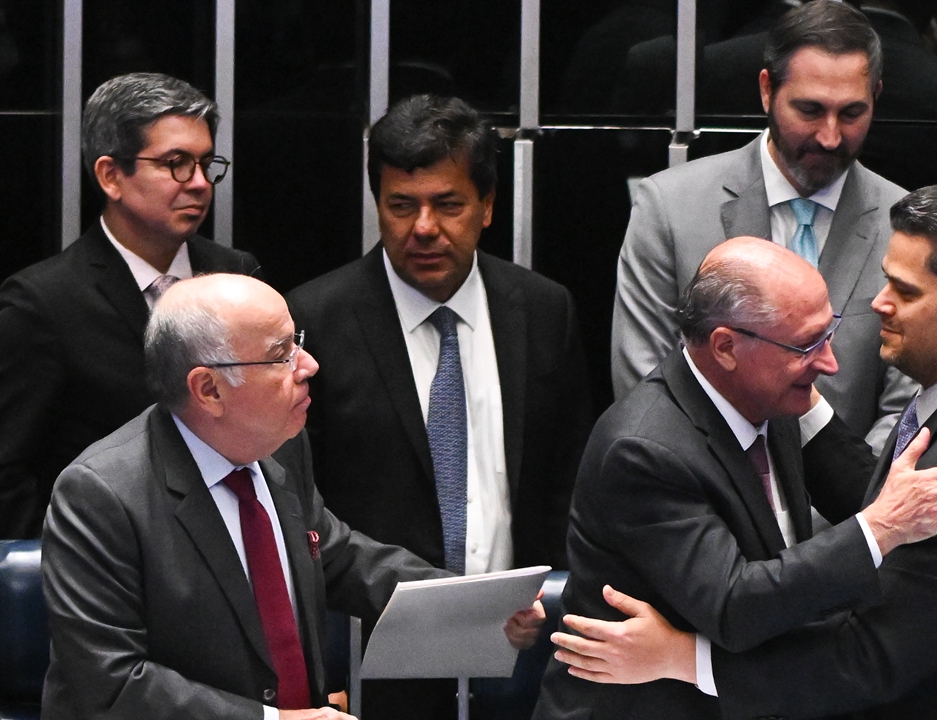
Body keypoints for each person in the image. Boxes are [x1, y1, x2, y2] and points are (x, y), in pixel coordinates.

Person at [549, 185, 937, 719]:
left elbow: (869, 657)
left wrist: (682, 657)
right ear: (728, 349)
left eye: (905, 291)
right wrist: (878, 520)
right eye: (807, 345)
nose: (879, 304)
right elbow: (874, 505)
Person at [40, 273, 543, 720]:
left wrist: (476, 606)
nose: (309, 365)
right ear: (209, 390)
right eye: (281, 354)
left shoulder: (281, 444)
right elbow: (109, 686)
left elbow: (339, 557)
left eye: (296, 342)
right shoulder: (100, 495)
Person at [286, 94, 592, 718]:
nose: (423, 227)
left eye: (448, 204)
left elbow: (570, 479)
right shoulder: (315, 319)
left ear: (487, 206)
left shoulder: (543, 310)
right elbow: (297, 505)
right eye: (401, 205)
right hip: (369, 656)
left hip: (526, 648)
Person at [610, 0, 917, 453]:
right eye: (810, 110)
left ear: (876, 96)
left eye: (852, 114)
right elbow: (645, 393)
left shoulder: (905, 228)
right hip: (701, 488)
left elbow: (908, 407)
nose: (830, 136)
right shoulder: (670, 208)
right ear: (767, 91)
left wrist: (849, 494)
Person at [0, 72, 260, 539]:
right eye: (176, 163)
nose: (200, 183)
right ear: (111, 176)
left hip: (235, 543)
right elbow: (7, 471)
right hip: (107, 555)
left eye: (206, 164)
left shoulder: (236, 275)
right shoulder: (43, 304)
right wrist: (68, 561)